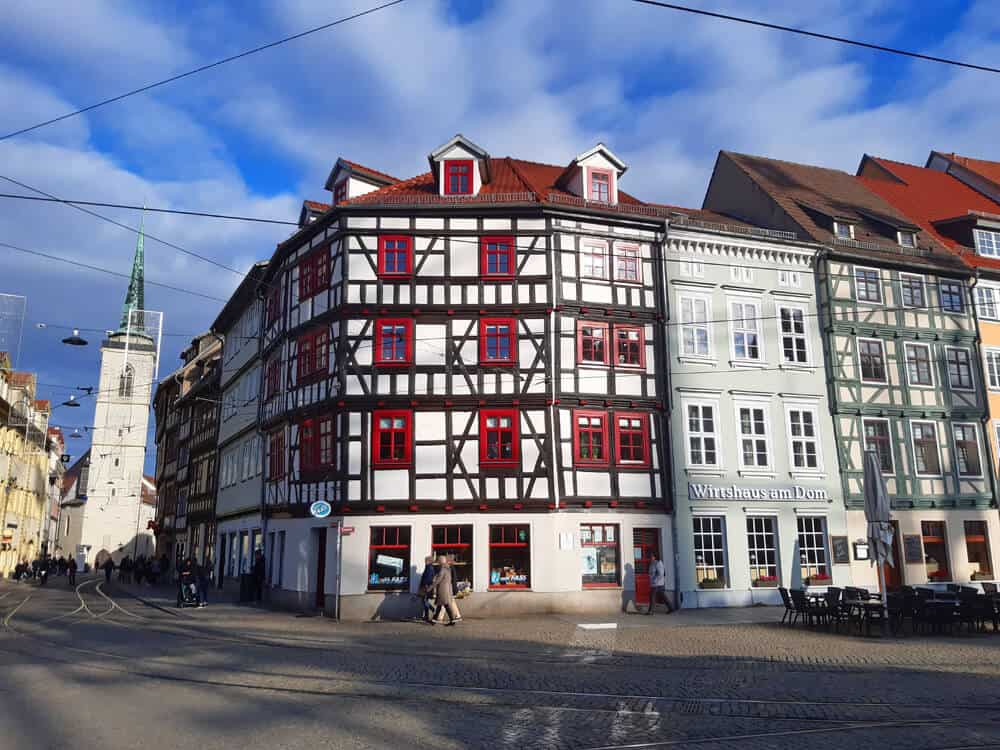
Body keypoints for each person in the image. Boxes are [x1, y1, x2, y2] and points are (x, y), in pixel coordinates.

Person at [431, 556, 457, 625]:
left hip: (443, 589)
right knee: (441, 605)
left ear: (441, 561)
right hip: (446, 589)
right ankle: (434, 620)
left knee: (445, 605)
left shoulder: (443, 569)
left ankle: (452, 620)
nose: (438, 562)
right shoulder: (448, 568)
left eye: (438, 561)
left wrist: (430, 587)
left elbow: (438, 580)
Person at [419, 556, 437, 623]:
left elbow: (428, 578)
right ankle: (426, 616)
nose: (424, 561)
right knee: (425, 601)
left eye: (425, 560)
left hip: (426, 587)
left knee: (424, 601)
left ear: (429, 561)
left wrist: (425, 586)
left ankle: (433, 610)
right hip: (426, 587)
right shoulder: (429, 567)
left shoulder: (429, 568)